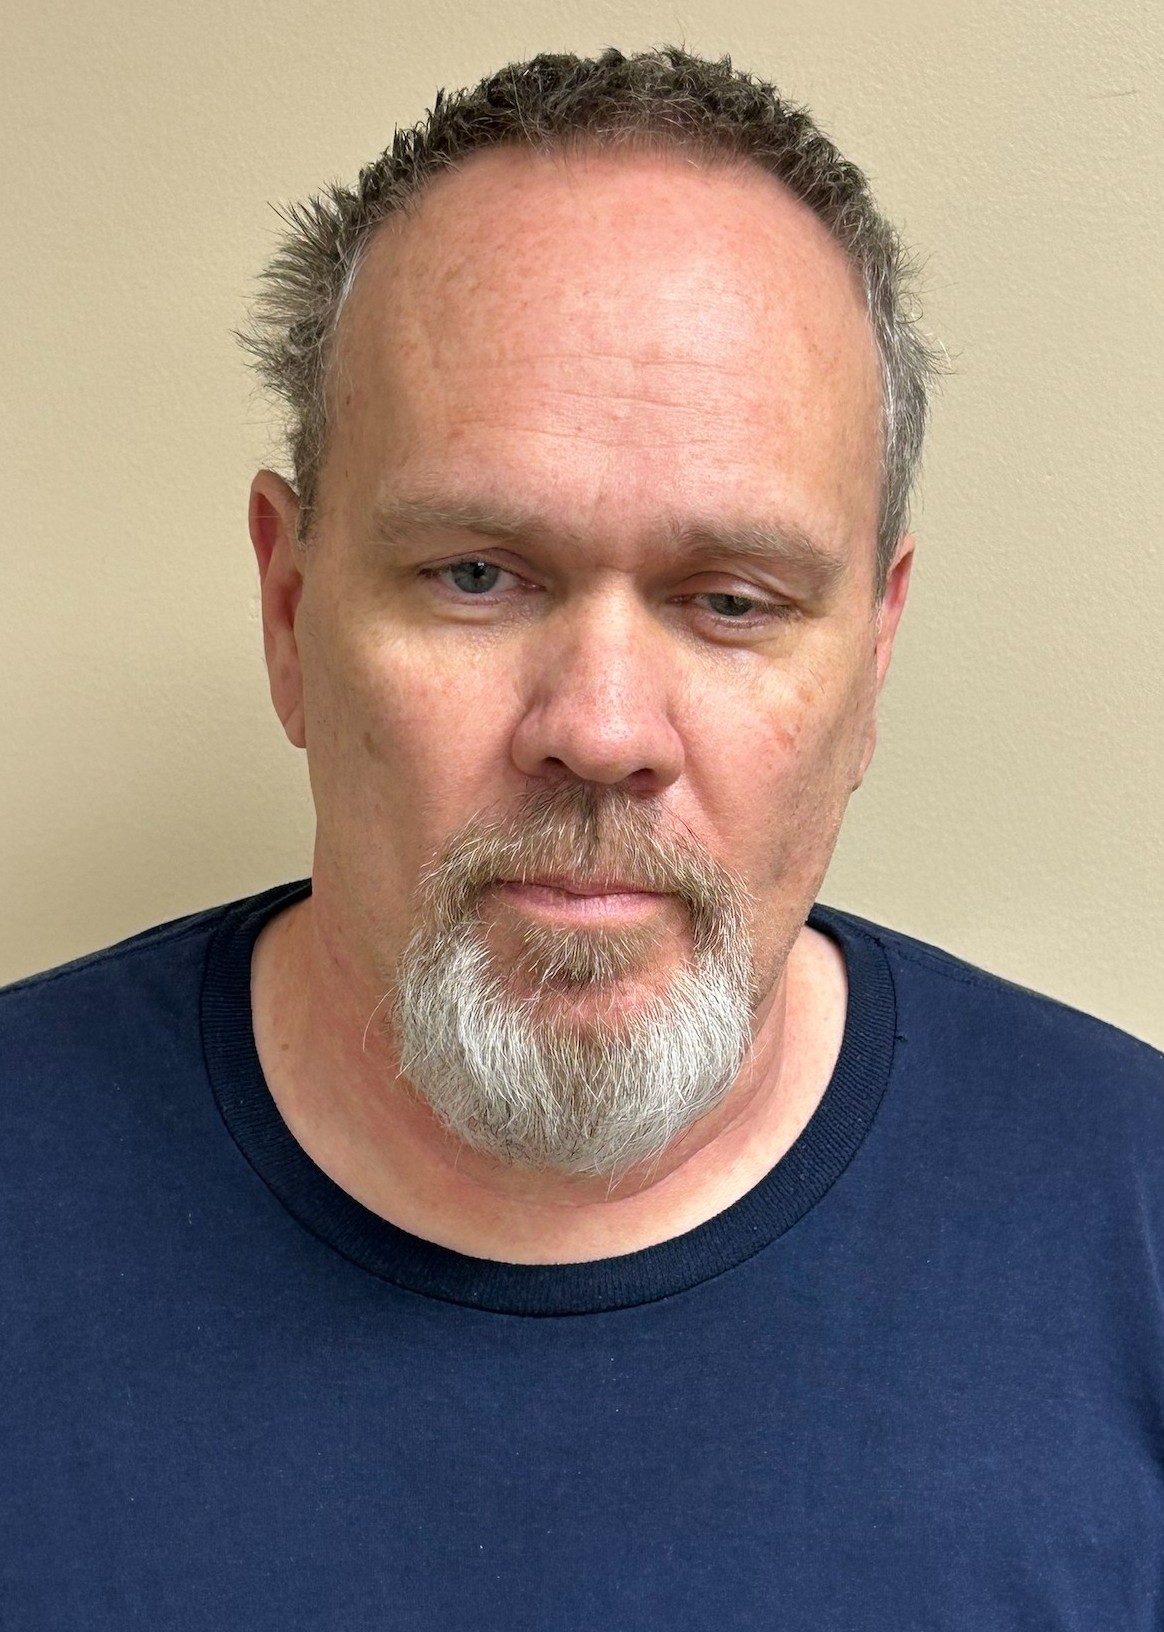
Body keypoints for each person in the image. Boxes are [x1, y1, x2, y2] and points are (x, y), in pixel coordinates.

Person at [2, 45, 1161, 1630]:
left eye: (731, 600)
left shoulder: (1131, 1225)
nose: (603, 729)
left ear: (874, 660)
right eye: (476, 575)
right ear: (289, 610)